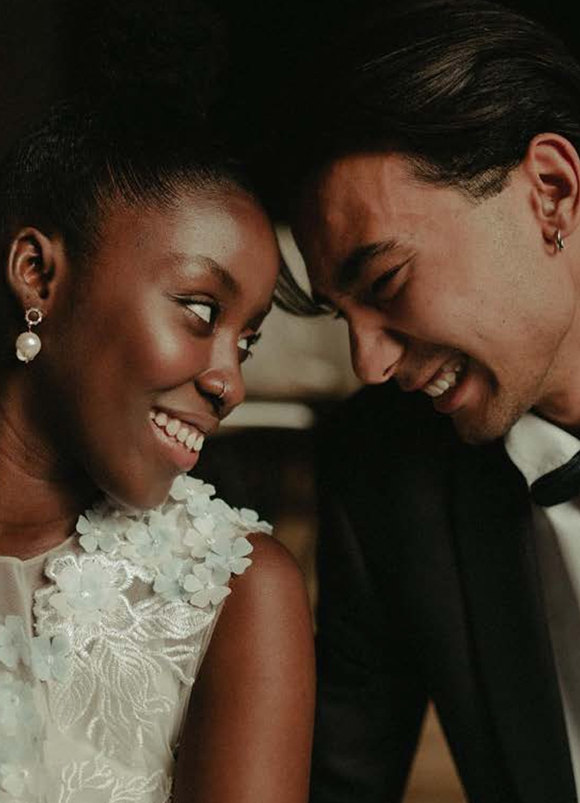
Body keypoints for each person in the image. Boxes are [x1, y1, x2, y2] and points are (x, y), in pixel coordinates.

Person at [262, 0, 580, 800]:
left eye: (387, 280)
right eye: (343, 315)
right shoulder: (382, 473)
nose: (367, 363)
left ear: (551, 192)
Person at [0, 4, 314, 802]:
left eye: (246, 342)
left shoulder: (236, 594)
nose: (230, 383)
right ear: (39, 274)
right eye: (202, 311)